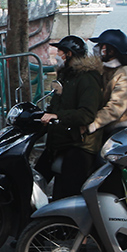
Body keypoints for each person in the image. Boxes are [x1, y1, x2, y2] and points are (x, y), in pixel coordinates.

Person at [38, 35, 103, 200]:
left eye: (59, 51)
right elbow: (57, 103)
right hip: (60, 140)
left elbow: (87, 113)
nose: (57, 54)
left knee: (66, 194)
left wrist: (57, 116)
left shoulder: (87, 79)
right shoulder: (65, 76)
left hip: (79, 144)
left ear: (69, 54)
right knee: (35, 179)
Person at [87, 28, 127, 138]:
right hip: (110, 124)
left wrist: (92, 124)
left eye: (101, 46)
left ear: (111, 51)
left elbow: (115, 108)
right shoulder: (106, 69)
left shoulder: (126, 75)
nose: (96, 49)